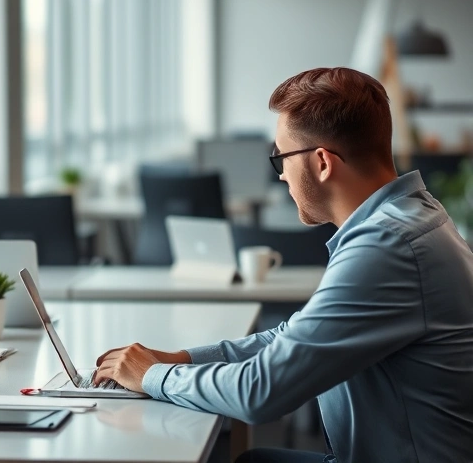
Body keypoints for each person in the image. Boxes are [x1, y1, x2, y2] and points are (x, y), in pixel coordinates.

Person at [93, 67, 473, 463]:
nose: (282, 178)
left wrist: (151, 377)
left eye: (282, 158)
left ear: (323, 162)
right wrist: (177, 359)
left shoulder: (387, 246)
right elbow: (291, 337)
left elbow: (262, 392)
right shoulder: (407, 217)